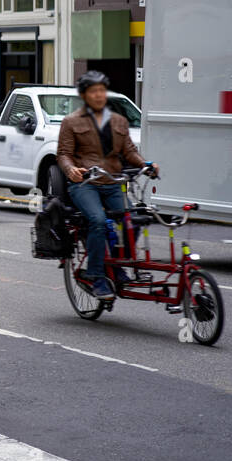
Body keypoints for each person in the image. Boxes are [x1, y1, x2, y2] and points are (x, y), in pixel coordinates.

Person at [57, 71, 157, 301]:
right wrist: (71, 170)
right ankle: (96, 275)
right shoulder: (71, 121)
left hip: (114, 183)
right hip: (86, 185)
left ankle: (117, 265)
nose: (99, 95)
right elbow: (63, 154)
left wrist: (145, 164)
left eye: (102, 90)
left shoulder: (118, 121)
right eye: (94, 91)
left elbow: (129, 151)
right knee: (98, 221)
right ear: (84, 95)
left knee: (132, 222)